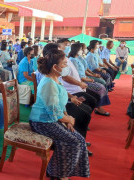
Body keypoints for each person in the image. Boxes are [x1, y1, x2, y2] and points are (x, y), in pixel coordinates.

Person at [29, 48, 90, 179]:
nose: (66, 66)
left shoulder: (56, 79)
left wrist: (67, 119)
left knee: (78, 139)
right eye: (64, 64)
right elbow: (54, 113)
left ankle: (55, 171)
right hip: (42, 122)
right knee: (75, 142)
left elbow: (59, 105)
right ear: (55, 67)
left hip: (51, 119)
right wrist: (68, 120)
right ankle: (57, 174)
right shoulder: (49, 84)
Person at [69, 43, 111, 116]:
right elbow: (78, 76)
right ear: (76, 50)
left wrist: (91, 76)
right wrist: (90, 79)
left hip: (84, 79)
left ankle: (98, 107)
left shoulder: (76, 58)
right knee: (101, 87)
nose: (82, 51)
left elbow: (84, 70)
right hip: (81, 82)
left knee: (101, 84)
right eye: (81, 49)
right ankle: (98, 108)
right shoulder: (73, 60)